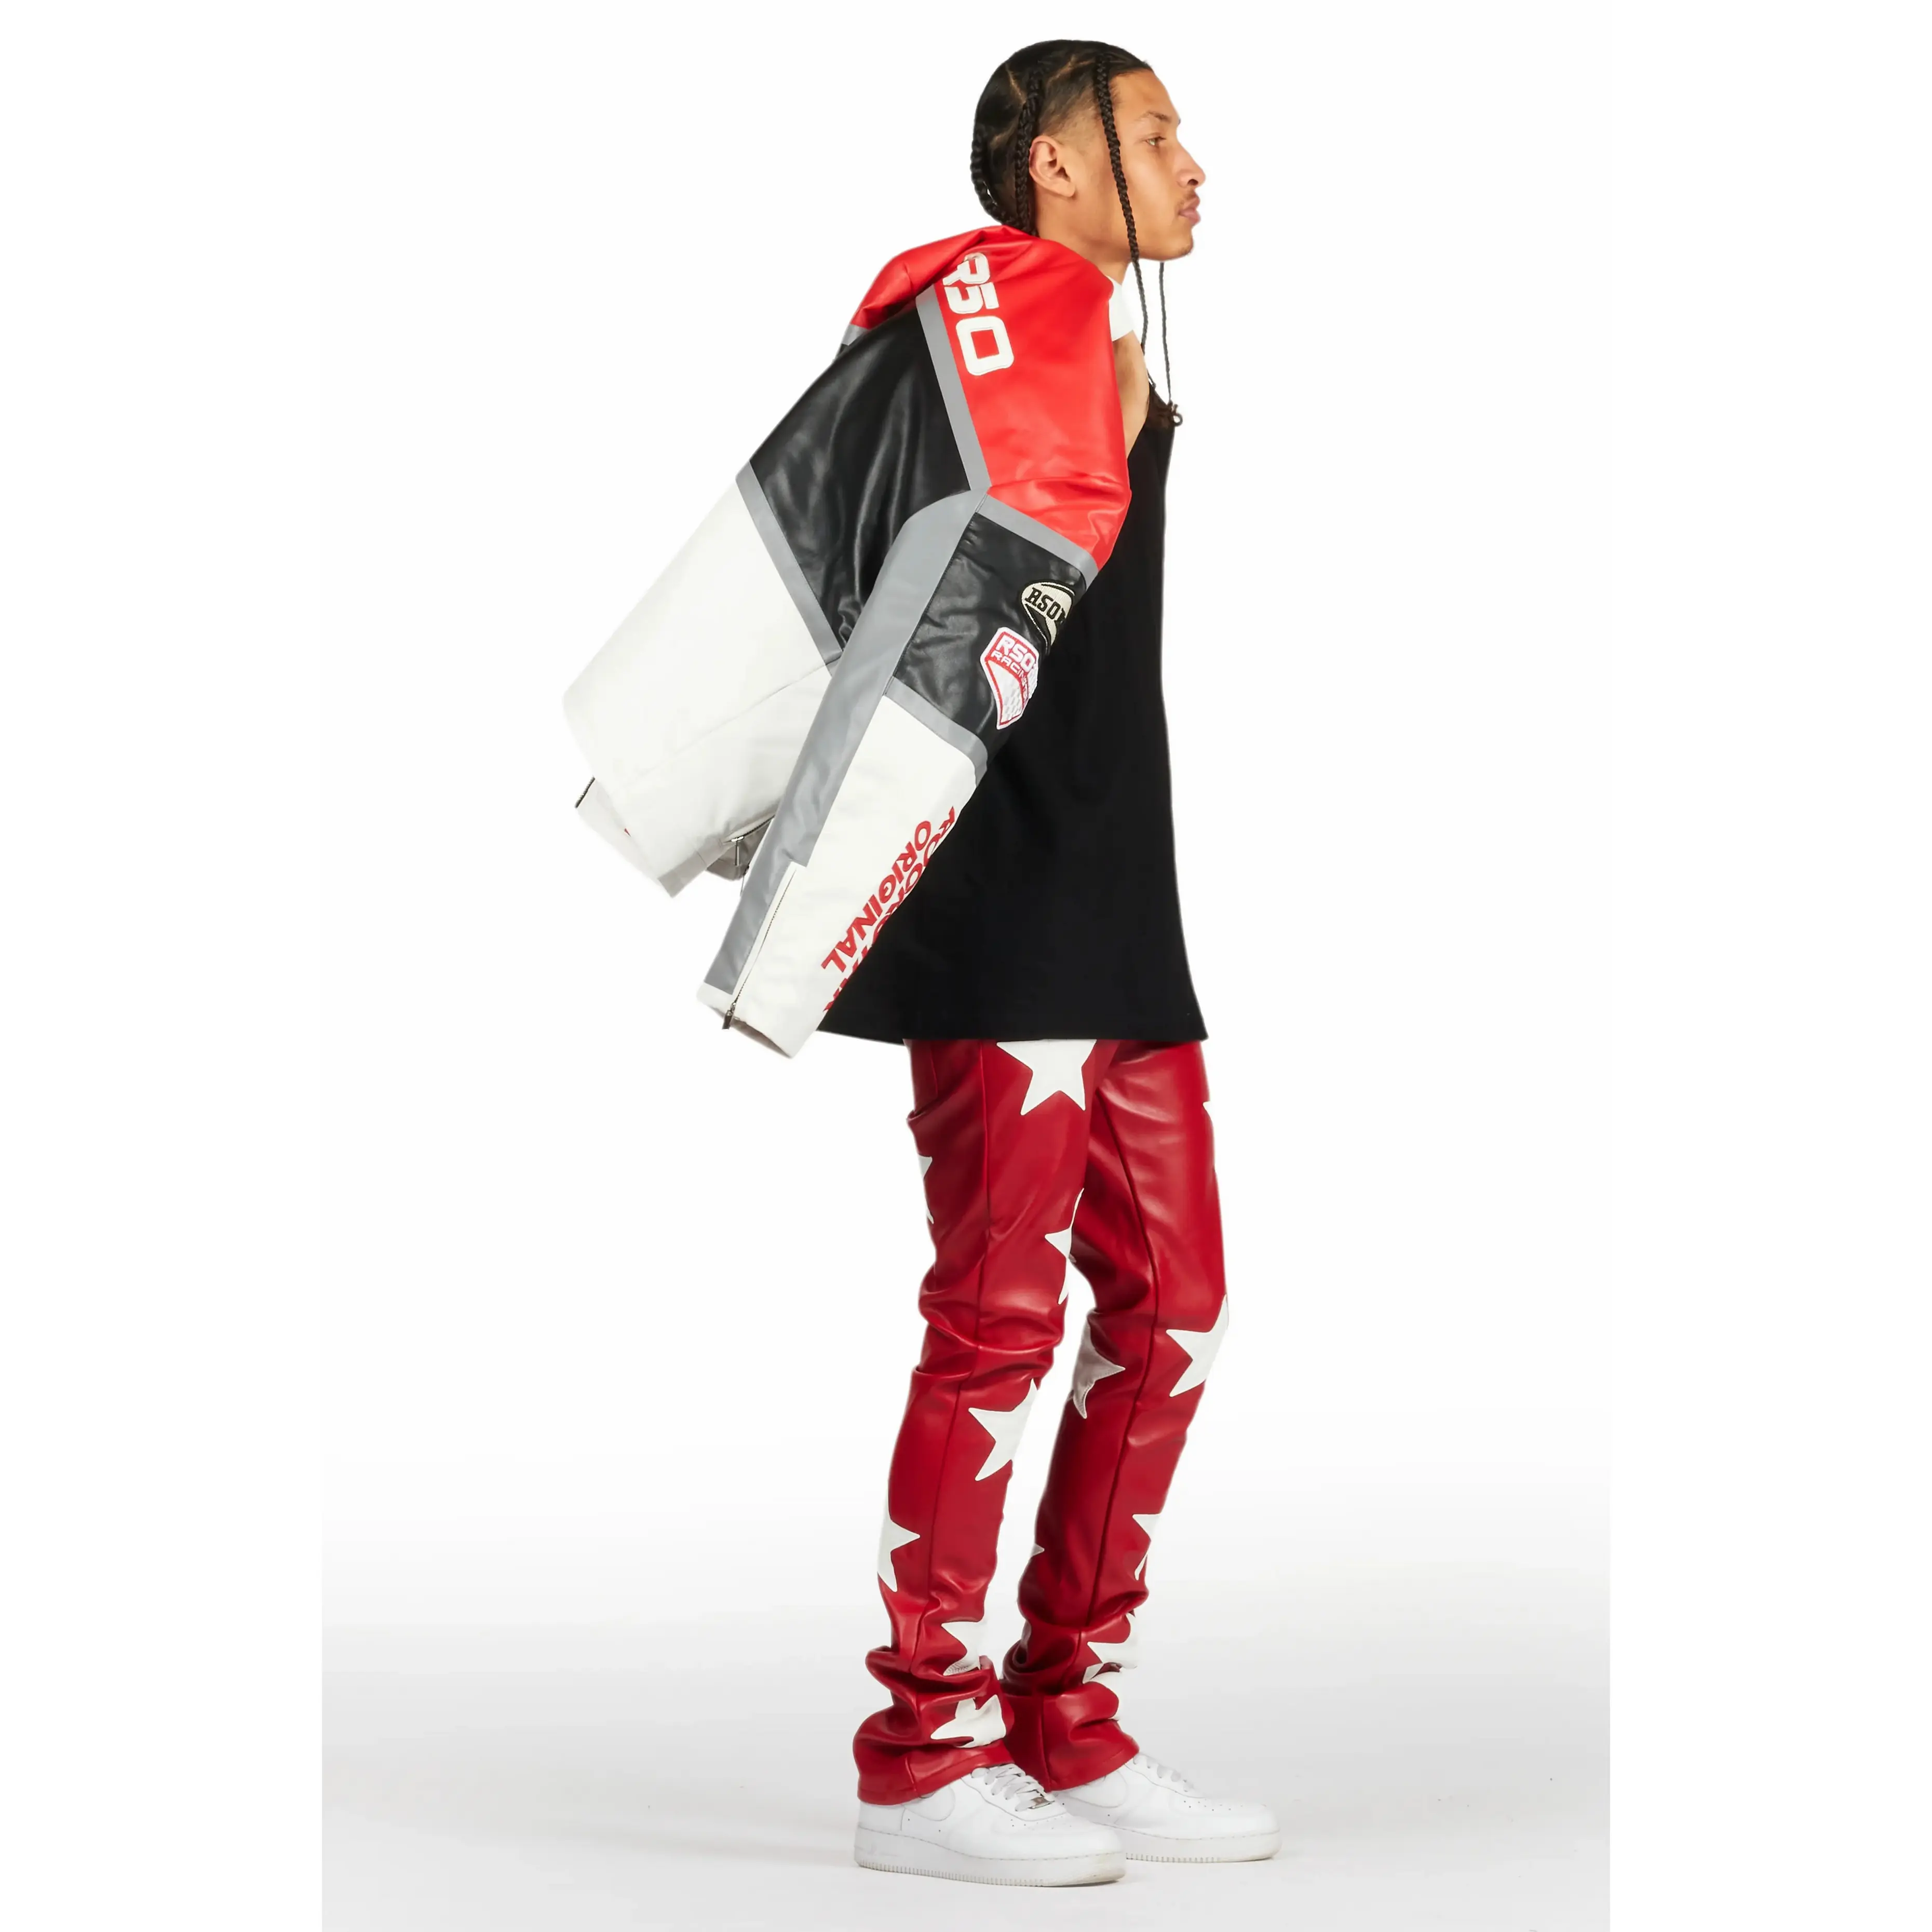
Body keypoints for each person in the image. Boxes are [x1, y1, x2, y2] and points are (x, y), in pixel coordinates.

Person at [827, 41, 1281, 1887]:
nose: (1193, 160)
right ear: (1057, 165)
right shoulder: (973, 323)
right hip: (998, 899)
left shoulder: (1101, 342)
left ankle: (1064, 1719)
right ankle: (917, 1758)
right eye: (1154, 132)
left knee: (1175, 1302)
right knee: (999, 1319)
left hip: (1117, 894)